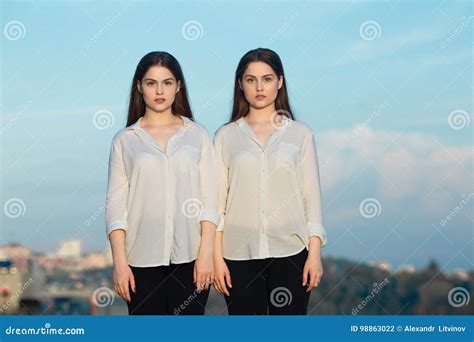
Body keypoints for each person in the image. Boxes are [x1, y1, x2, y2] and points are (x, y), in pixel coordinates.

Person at [213, 48, 327, 315]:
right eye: (250, 79)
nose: (259, 87)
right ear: (240, 84)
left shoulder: (300, 134)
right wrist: (216, 257)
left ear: (280, 81)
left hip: (291, 250)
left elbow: (312, 196)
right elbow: (216, 203)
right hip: (238, 254)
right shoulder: (225, 137)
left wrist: (315, 253)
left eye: (266, 78)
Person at [105, 51, 218, 315]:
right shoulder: (125, 140)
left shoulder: (198, 135)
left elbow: (210, 200)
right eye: (151, 83)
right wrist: (120, 263)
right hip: (139, 262)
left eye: (167, 82)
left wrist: (206, 255)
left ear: (178, 86)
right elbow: (115, 207)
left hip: (191, 261)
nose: (159, 90)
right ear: (139, 87)